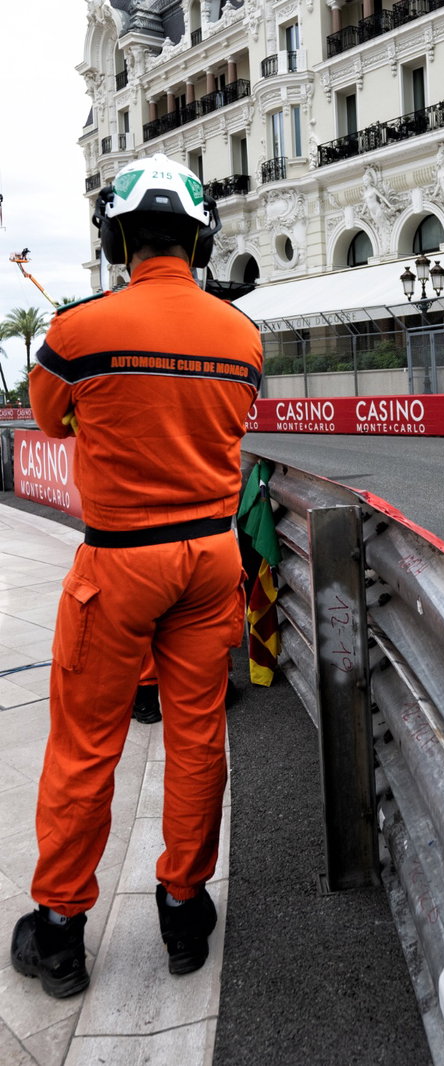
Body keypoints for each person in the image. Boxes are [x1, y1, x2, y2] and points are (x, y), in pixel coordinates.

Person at [14, 153, 262, 999]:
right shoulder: (243, 336)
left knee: (86, 748)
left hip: (119, 562)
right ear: (199, 239)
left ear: (117, 237)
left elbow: (50, 415)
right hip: (211, 557)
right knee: (198, 738)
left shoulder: (79, 331)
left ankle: (59, 930)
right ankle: (185, 911)